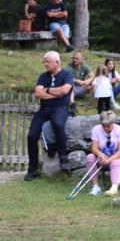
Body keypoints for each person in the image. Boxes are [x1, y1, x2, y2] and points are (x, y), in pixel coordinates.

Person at [25, 51, 73, 181]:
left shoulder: (67, 74)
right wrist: (55, 94)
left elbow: (64, 91)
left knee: (57, 124)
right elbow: (37, 93)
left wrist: (46, 89)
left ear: (57, 62)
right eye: (45, 61)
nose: (46, 64)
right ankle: (32, 169)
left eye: (48, 61)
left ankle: (63, 158)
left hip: (60, 108)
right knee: (32, 136)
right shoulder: (43, 76)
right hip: (44, 108)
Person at [85, 111, 120, 197]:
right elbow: (94, 148)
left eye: (108, 126)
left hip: (119, 157)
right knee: (90, 157)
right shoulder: (96, 129)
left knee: (114, 162)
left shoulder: (119, 130)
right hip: (103, 158)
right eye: (103, 126)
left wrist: (109, 159)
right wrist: (99, 154)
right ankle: (95, 187)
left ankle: (114, 188)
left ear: (113, 123)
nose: (105, 128)